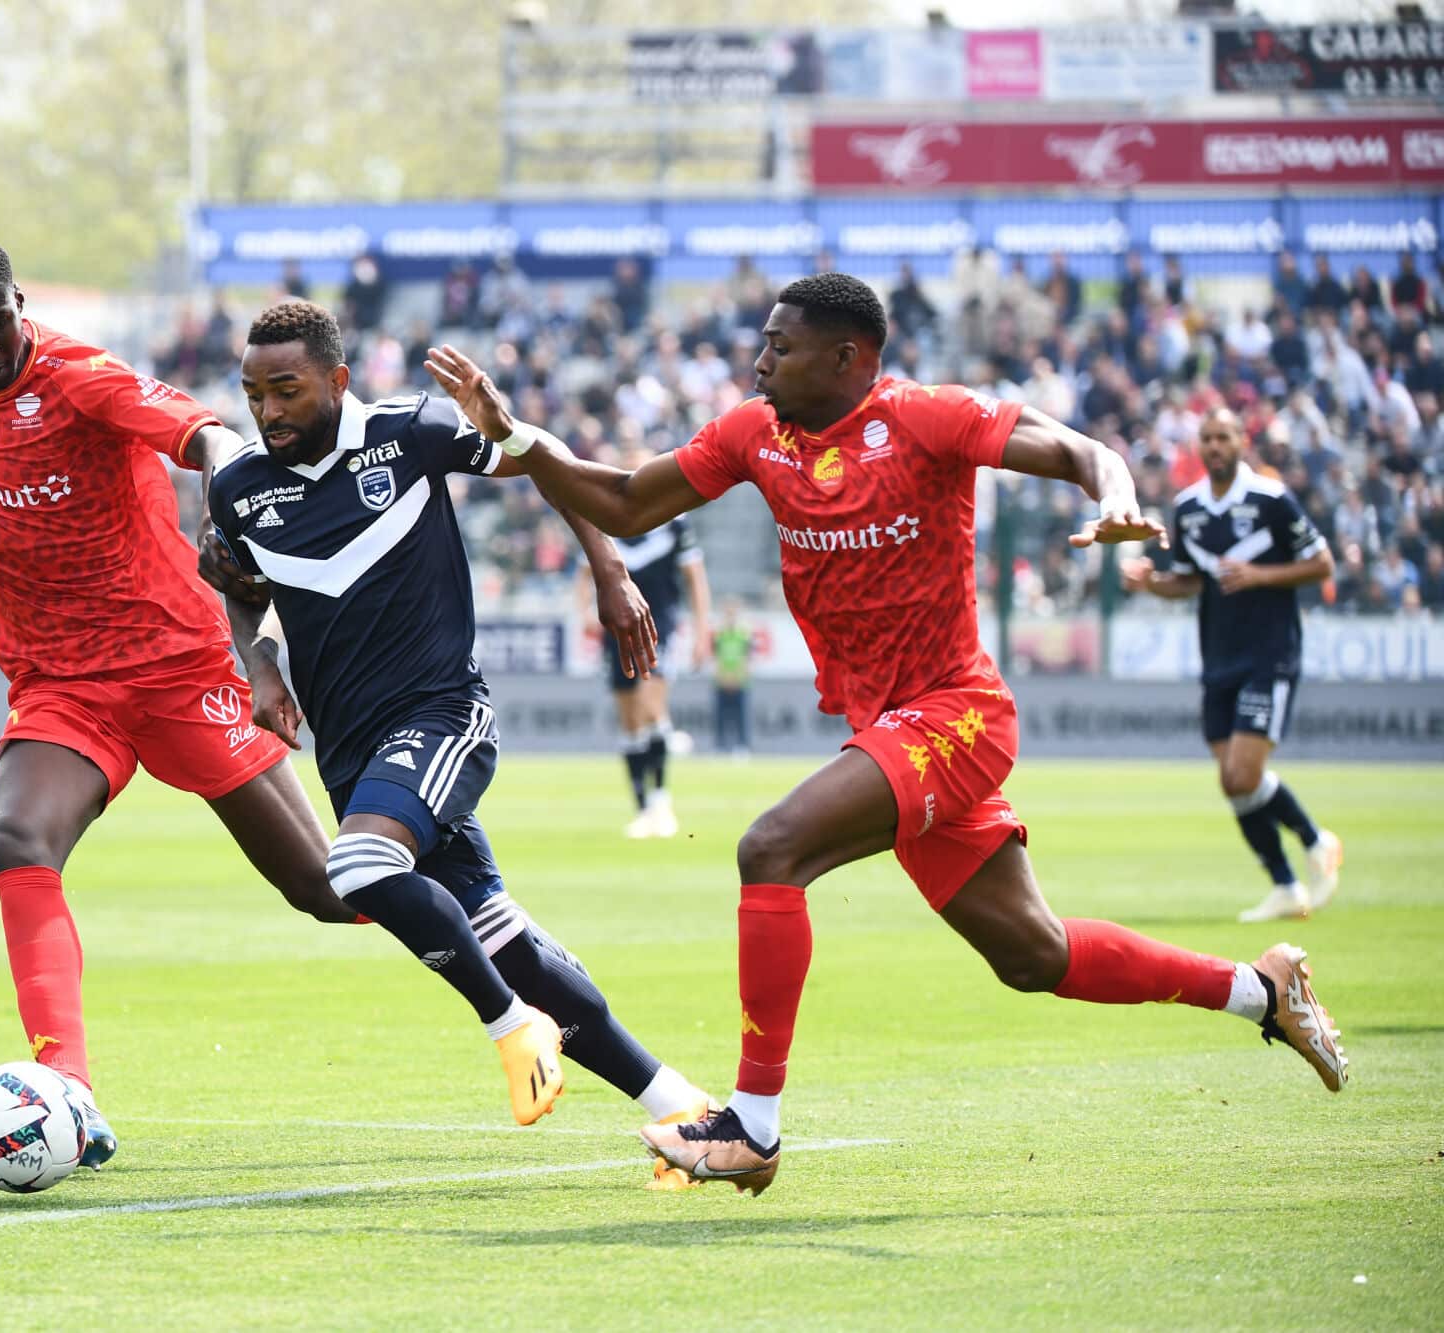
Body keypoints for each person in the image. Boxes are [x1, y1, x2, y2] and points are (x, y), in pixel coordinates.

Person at [426, 273, 1350, 1197]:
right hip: (893, 729)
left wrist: (1112, 493)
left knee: (773, 848)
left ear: (848, 358)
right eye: (762, 344)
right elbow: (626, 501)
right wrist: (515, 436)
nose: (758, 361)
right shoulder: (758, 432)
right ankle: (1262, 989)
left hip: (957, 714)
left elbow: (1075, 447)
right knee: (1035, 954)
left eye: (780, 349)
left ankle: (753, 1124)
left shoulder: (926, 417)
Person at [0, 240, 657, 1169]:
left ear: (20, 302)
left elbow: (209, 435)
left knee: (331, 887)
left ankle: (505, 957)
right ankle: (68, 1081)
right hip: (60, 680)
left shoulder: (82, 377)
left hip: (179, 664)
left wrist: (228, 500)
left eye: (0, 322)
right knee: (16, 840)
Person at [200, 300, 715, 1178]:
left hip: (443, 716)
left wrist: (608, 566)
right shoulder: (241, 486)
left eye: (286, 390)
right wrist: (262, 668)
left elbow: (547, 467)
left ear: (338, 380)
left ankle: (512, 1025)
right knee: (503, 937)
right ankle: (683, 1107)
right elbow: (240, 578)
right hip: (352, 753)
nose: (270, 411)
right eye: (254, 395)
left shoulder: (412, 433)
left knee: (358, 869)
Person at [1124, 409, 1342, 921]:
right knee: (1232, 780)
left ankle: (1314, 839)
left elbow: (1323, 564)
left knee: (1242, 773)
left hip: (1270, 654)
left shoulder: (1271, 500)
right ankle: (1287, 886)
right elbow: (1190, 580)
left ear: (1243, 442)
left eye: (1224, 437)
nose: (1215, 446)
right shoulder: (1189, 507)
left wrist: (1259, 575)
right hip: (1218, 654)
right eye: (1207, 439)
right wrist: (1151, 582)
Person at [577, 443, 711, 838]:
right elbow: (585, 575)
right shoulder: (606, 518)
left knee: (652, 705)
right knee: (630, 717)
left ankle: (661, 801)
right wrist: (583, 613)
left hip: (659, 624)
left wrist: (703, 628)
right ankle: (642, 807)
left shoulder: (674, 521)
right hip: (616, 625)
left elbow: (695, 578)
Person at [711, 597, 753, 757]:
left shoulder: (743, 634)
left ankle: (742, 746)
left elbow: (747, 658)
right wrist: (722, 676)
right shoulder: (719, 634)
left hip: (740, 681)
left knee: (740, 716)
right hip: (722, 681)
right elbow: (715, 658)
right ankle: (720, 746)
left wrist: (738, 676)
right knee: (720, 716)